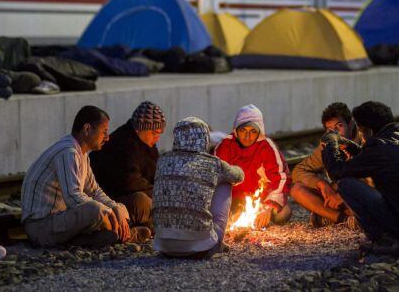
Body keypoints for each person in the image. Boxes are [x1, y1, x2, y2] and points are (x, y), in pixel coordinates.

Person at [322, 101, 399, 255]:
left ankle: (386, 239)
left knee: (346, 184)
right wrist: (349, 145)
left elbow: (337, 171)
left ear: (367, 130)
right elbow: (369, 159)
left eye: (360, 130)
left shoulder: (380, 147)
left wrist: (329, 144)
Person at [21, 106, 150, 247]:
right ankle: (125, 234)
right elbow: (74, 197)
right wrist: (108, 211)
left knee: (140, 201)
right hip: (43, 226)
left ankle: (111, 234)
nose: (107, 138)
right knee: (94, 210)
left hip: (63, 220)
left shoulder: (82, 154)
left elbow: (94, 191)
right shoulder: (68, 152)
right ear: (87, 129)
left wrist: (115, 207)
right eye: (104, 132)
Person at [153, 117, 244, 258]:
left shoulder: (162, 160)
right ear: (205, 138)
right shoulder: (213, 163)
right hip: (200, 248)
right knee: (226, 182)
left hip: (163, 245)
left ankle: (174, 240)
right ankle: (216, 240)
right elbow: (239, 176)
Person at [90, 101, 165, 231]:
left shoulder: (148, 145)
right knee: (142, 202)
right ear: (139, 128)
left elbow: (157, 174)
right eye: (154, 133)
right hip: (109, 201)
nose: (157, 138)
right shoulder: (122, 144)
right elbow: (129, 182)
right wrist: (160, 194)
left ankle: (142, 227)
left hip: (133, 199)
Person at [214, 104, 292, 229]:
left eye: (253, 131)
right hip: (232, 201)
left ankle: (263, 218)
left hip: (261, 201)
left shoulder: (267, 147)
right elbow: (216, 179)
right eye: (243, 131)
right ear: (236, 130)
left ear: (259, 131)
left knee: (283, 213)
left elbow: (281, 178)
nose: (247, 136)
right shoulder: (225, 146)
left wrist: (269, 208)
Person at [291, 102, 361, 228]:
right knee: (297, 189)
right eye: (330, 129)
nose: (335, 133)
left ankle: (326, 216)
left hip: (359, 193)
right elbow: (299, 171)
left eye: (339, 126)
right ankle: (342, 219)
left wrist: (343, 196)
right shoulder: (329, 143)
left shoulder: (364, 139)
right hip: (338, 194)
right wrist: (321, 184)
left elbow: (375, 178)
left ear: (350, 124)